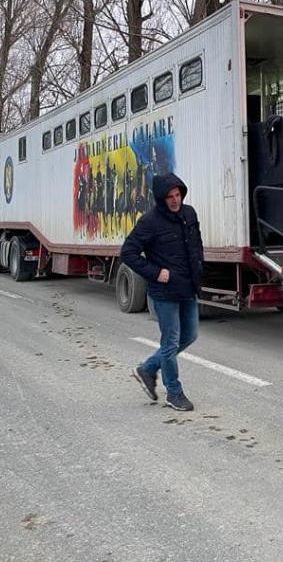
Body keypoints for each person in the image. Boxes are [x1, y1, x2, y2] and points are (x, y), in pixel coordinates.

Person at [121, 173, 204, 412]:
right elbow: (128, 253)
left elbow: (196, 245)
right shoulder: (150, 222)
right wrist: (156, 273)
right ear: (161, 198)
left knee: (189, 335)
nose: (175, 200)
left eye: (178, 195)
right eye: (170, 197)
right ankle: (174, 393)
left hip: (187, 287)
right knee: (170, 342)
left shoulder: (189, 214)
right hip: (164, 291)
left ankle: (147, 368)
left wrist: (199, 270)